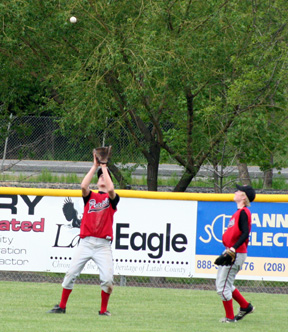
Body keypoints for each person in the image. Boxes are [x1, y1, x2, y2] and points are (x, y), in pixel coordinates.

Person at [48, 150, 120, 316]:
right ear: (97, 180)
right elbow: (83, 186)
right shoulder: (90, 196)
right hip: (86, 242)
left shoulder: (112, 198)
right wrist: (95, 166)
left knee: (108, 280)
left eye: (105, 175)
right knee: (71, 273)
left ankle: (103, 310)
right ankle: (62, 306)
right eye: (100, 176)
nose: (102, 176)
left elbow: (110, 188)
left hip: (103, 245)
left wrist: (104, 166)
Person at [216, 184, 256, 323]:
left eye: (239, 191)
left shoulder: (244, 212)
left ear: (244, 197)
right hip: (232, 251)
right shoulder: (239, 212)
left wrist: (233, 248)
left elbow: (246, 233)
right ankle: (245, 306)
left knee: (222, 287)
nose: (235, 192)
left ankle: (230, 318)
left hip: (236, 253)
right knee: (223, 283)